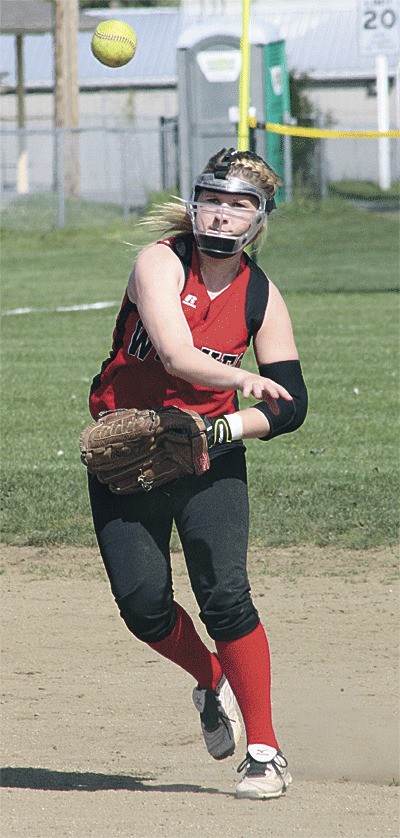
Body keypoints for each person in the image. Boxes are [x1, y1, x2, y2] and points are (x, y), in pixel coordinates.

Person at [87, 147, 308, 800]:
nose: (221, 214)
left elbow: (291, 404)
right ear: (193, 204)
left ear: (258, 220)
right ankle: (212, 679)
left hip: (211, 454)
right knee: (142, 605)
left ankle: (265, 752)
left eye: (239, 205)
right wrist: (244, 379)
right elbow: (177, 355)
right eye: (211, 199)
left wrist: (226, 428)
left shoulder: (261, 295)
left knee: (226, 596)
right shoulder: (160, 262)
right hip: (130, 450)